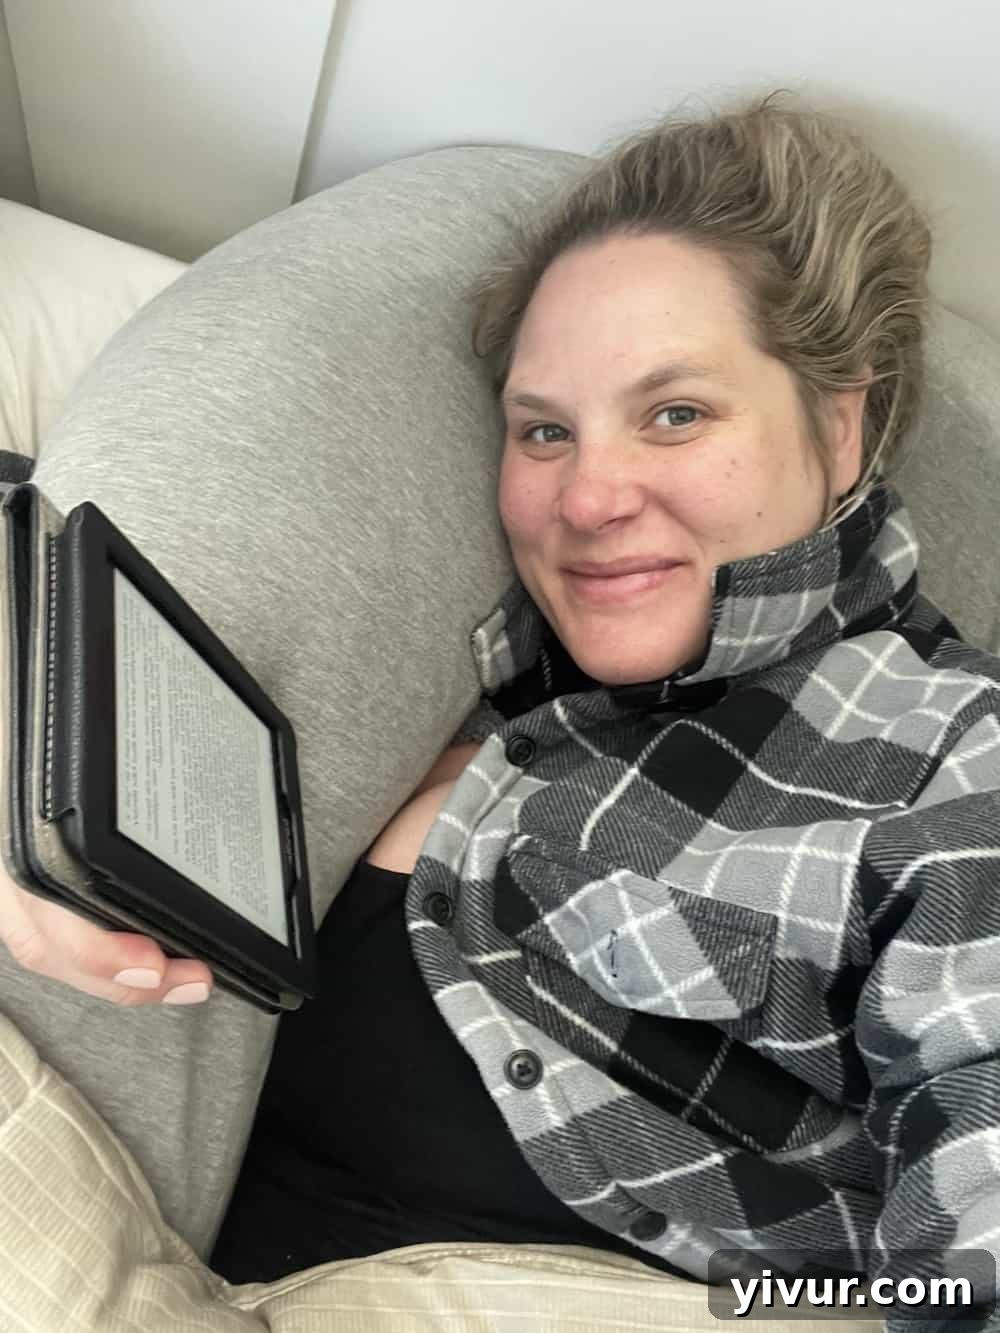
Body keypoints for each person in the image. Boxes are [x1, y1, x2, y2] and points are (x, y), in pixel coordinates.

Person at [3, 95, 999, 1314]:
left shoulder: (951, 764)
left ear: (839, 429)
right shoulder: (488, 701)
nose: (587, 497)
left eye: (674, 413)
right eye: (544, 431)